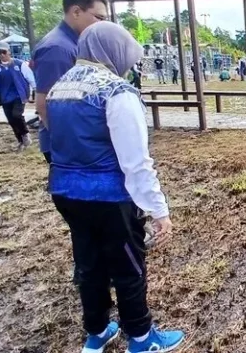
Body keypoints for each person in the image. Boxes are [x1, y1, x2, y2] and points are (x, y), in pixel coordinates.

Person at [47, 21, 185, 353]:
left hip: (65, 192)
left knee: (89, 262)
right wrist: (158, 210)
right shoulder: (116, 92)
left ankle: (96, 332)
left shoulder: (59, 88)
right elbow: (135, 162)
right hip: (109, 197)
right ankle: (141, 337)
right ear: (113, 50)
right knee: (127, 266)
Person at [33, 0, 109, 164]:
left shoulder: (76, 43)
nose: (103, 25)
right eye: (99, 17)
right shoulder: (57, 49)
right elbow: (45, 105)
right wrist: (76, 144)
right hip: (69, 146)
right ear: (76, 12)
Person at [0, 42, 37, 150]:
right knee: (11, 120)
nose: (2, 54)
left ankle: (25, 134)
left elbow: (30, 78)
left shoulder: (19, 64)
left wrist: (35, 91)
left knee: (17, 115)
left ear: (8, 51)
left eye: (4, 52)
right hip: (5, 98)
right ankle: (20, 140)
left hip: (19, 95)